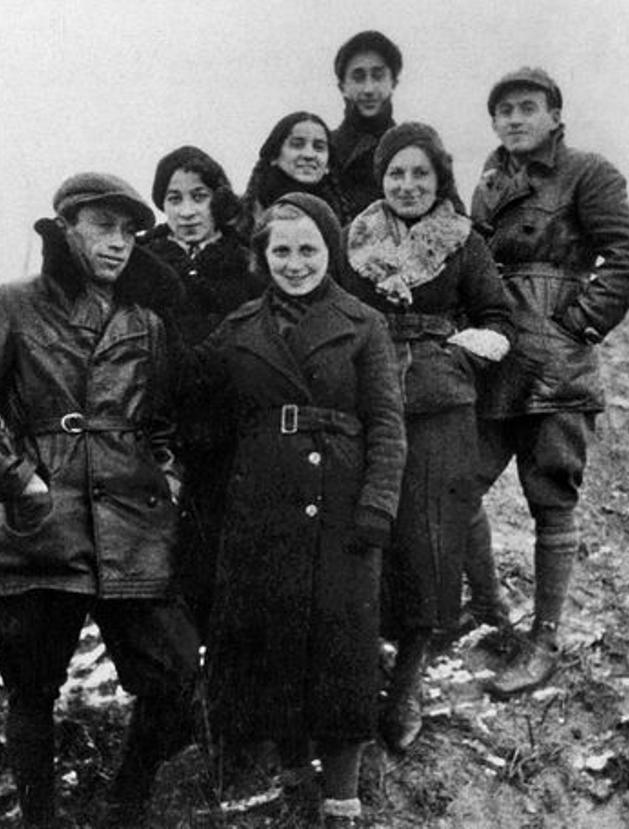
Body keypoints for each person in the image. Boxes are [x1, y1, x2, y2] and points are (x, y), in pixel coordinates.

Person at [0, 173, 199, 826]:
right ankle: (40, 817)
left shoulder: (146, 320)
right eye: (104, 226)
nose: (120, 242)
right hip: (45, 523)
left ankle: (123, 806)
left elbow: (161, 423)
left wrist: (169, 477)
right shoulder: (8, 304)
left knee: (175, 675)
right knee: (32, 692)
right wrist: (19, 482)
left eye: (131, 230)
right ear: (65, 226)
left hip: (132, 522)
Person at [197, 192, 406, 827]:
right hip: (260, 507)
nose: (295, 263)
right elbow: (202, 416)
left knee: (343, 644)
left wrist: (377, 504)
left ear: (330, 250)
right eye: (281, 250)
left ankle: (342, 791)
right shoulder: (235, 332)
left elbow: (388, 425)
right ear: (262, 256)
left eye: (308, 249)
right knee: (275, 640)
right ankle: (290, 770)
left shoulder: (363, 323)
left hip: (340, 505)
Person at [466, 67, 629, 698]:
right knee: (457, 484)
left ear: (554, 115)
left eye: (528, 108)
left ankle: (543, 640)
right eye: (504, 111)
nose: (515, 119)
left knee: (551, 496)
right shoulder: (489, 183)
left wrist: (577, 321)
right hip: (494, 360)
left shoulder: (587, 173)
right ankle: (489, 608)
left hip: (555, 366)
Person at [338, 122, 514, 752]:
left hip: (441, 406)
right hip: (366, 399)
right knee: (365, 529)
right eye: (395, 174)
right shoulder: (352, 239)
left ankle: (408, 679)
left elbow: (496, 317)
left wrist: (457, 356)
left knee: (430, 538)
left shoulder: (463, 243)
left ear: (440, 179)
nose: (407, 185)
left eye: (420, 174)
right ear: (380, 179)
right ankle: (362, 669)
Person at [141, 145, 265, 631]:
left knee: (219, 550)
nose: (186, 210)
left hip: (227, 431)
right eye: (174, 198)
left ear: (218, 199)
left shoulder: (246, 265)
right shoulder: (143, 265)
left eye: (198, 196)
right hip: (160, 431)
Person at [238, 112, 349, 238]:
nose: (309, 155)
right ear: (274, 155)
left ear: (328, 165)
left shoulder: (341, 220)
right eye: (297, 145)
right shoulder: (244, 216)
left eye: (319, 147)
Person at [330, 30, 403, 216]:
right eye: (358, 77)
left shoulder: (415, 148)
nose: (368, 89)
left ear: (393, 82)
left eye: (378, 76)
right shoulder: (323, 150)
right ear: (342, 87)